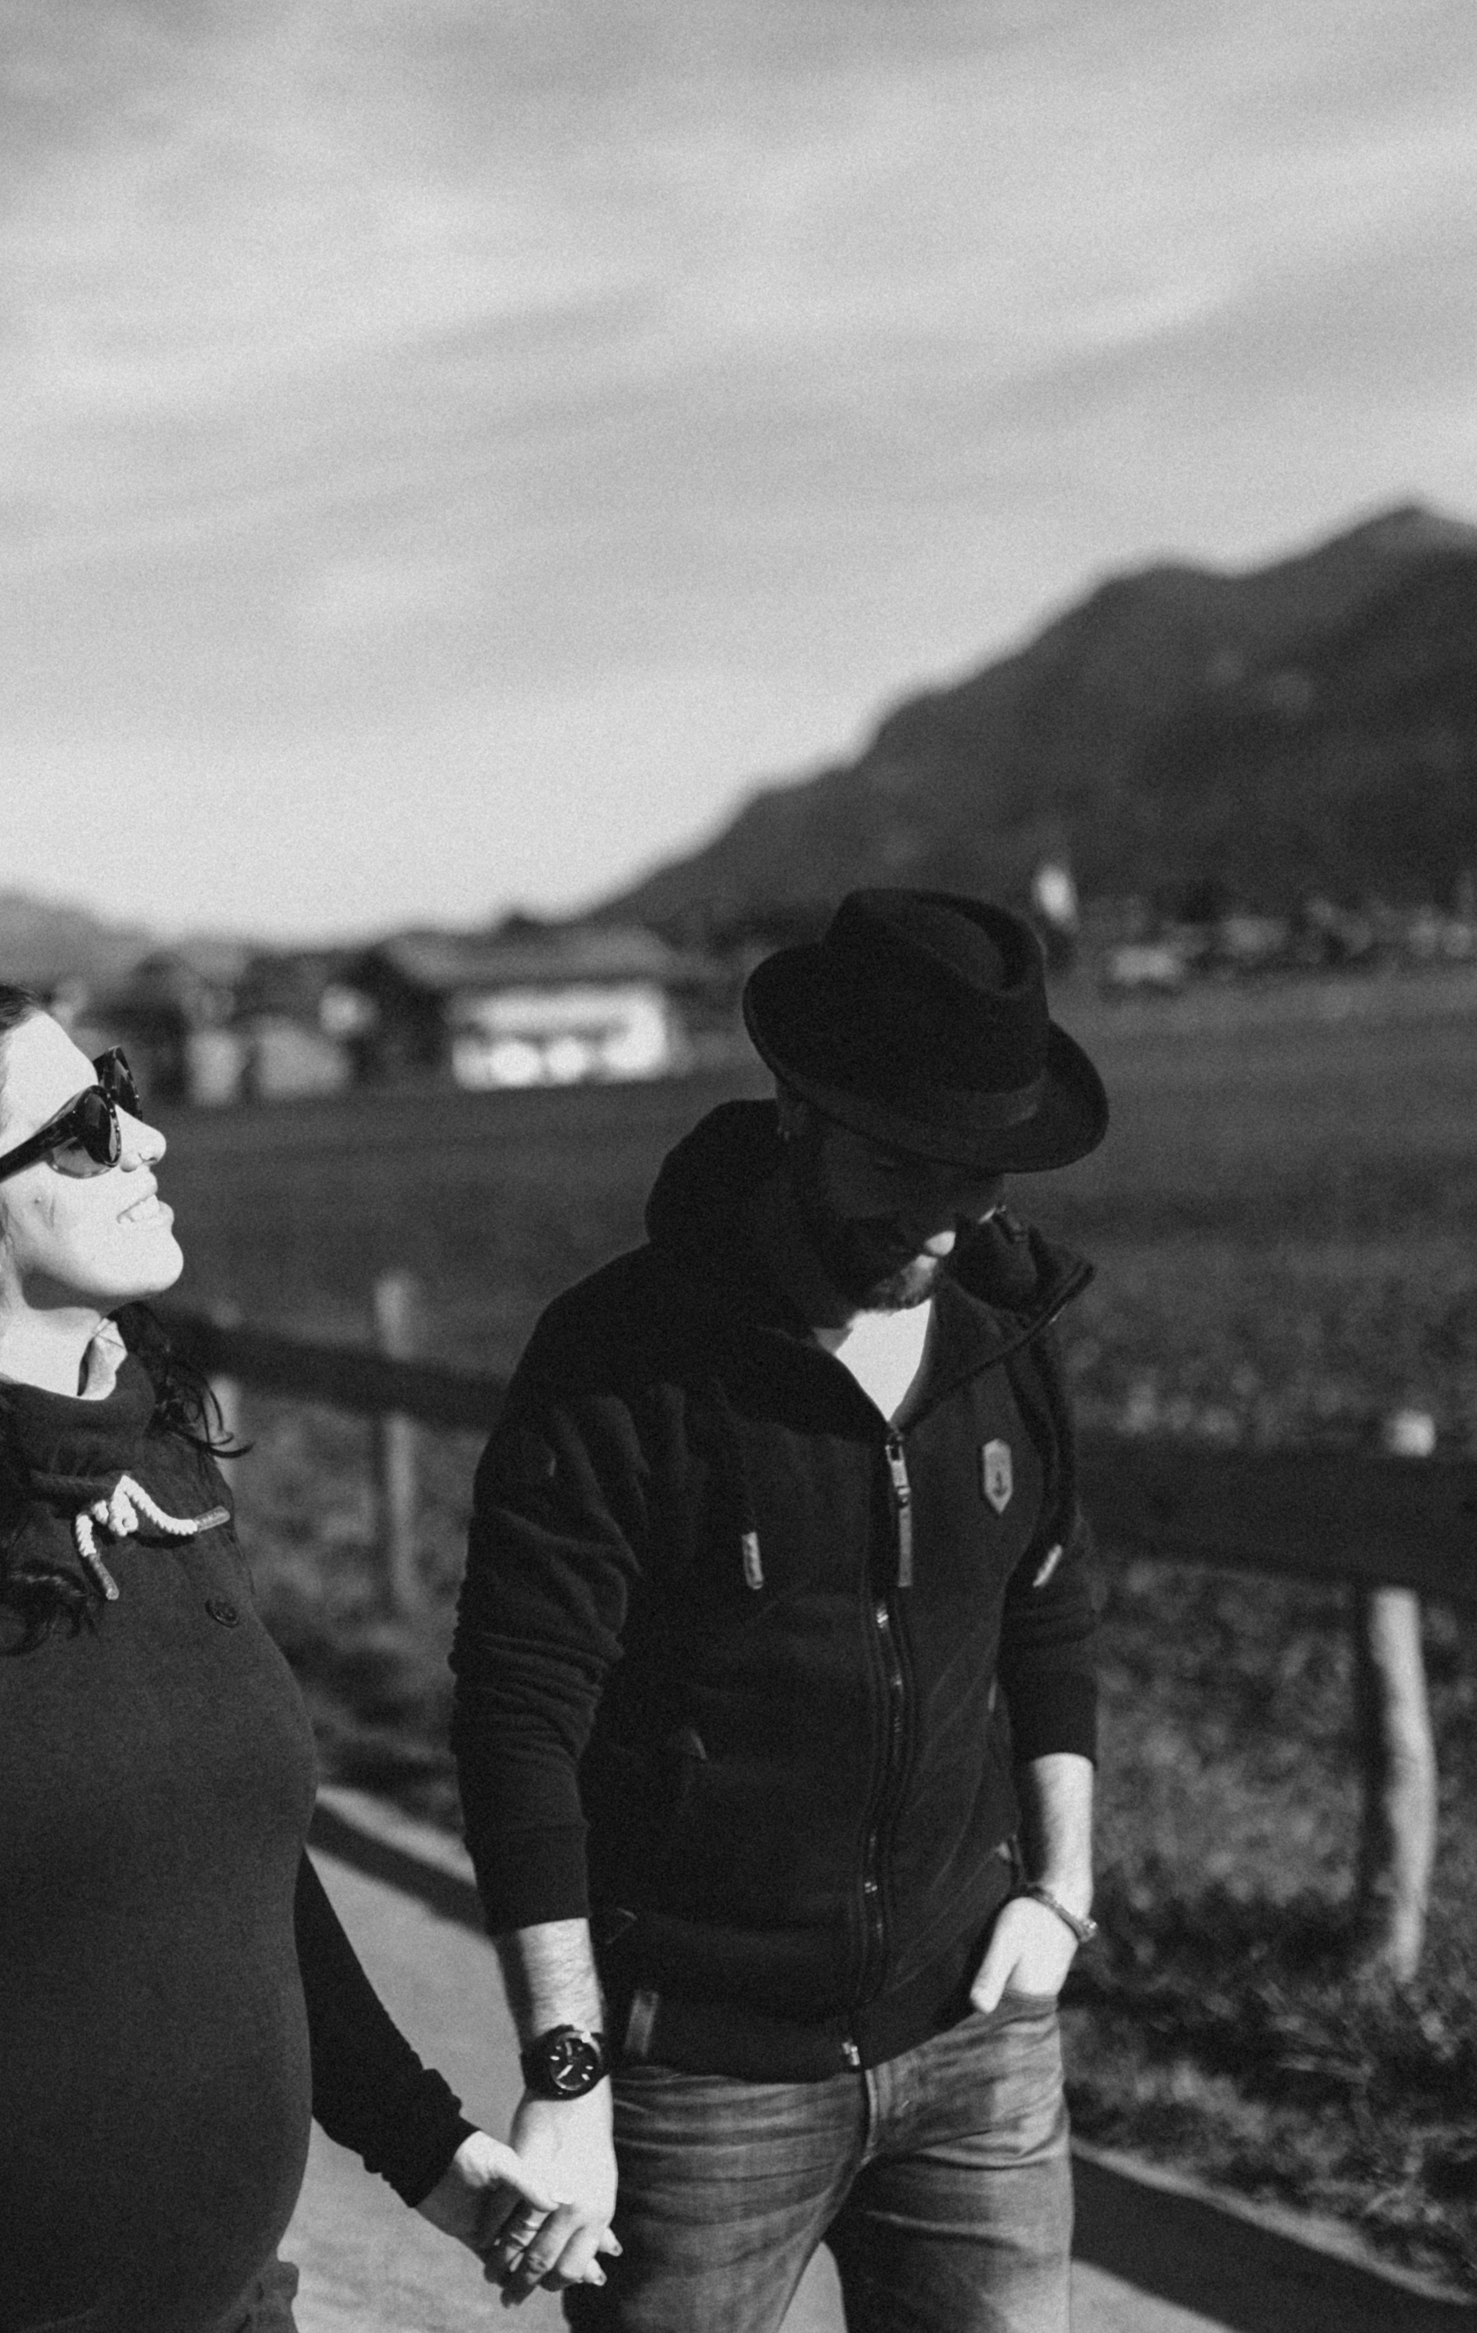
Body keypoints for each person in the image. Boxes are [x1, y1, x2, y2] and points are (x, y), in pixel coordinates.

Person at [0, 981, 595, 2333]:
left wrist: (429, 2147)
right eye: (85, 1128)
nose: (147, 1141)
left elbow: (236, 1861)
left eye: (118, 1093)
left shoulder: (164, 1469)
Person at [451, 889, 1108, 2330]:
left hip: (977, 2044)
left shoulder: (1005, 1335)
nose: (939, 1217)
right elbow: (518, 1724)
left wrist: (1061, 1891)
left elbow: (1046, 1611)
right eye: (901, 1161)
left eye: (977, 1173)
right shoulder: (622, 1360)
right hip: (701, 2080)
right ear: (798, 1109)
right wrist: (568, 2075)